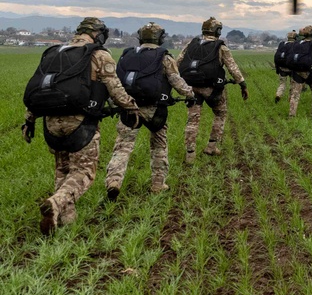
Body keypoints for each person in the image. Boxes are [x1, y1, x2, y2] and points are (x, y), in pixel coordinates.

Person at [22, 17, 141, 234]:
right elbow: (115, 88)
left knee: (63, 170)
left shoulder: (55, 53)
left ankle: (65, 222)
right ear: (98, 34)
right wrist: (131, 109)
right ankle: (56, 203)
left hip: (50, 123)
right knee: (84, 172)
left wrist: (29, 120)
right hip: (80, 122)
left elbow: (39, 87)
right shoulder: (98, 54)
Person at [105, 22, 195, 198]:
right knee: (159, 145)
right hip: (155, 110)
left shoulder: (127, 55)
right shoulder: (165, 57)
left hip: (129, 108)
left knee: (123, 147)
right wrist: (191, 95)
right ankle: (158, 184)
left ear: (140, 37)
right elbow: (177, 81)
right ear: (160, 38)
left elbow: (115, 81)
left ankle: (114, 181)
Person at [178, 17, 248, 162]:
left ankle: (190, 153)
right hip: (212, 90)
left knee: (192, 120)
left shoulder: (191, 45)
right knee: (220, 113)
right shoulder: (221, 47)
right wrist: (242, 84)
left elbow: (177, 62)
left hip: (191, 88)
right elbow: (232, 68)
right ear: (218, 31)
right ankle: (211, 146)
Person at [285, 24, 312, 117]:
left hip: (297, 72)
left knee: (295, 94)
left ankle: (292, 114)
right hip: (310, 72)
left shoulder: (298, 43)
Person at [274, 30, 297, 103]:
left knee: (282, 84)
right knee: (292, 84)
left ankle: (278, 94)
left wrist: (277, 68)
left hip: (282, 68)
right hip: (292, 69)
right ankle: (290, 98)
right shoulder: (296, 44)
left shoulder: (282, 44)